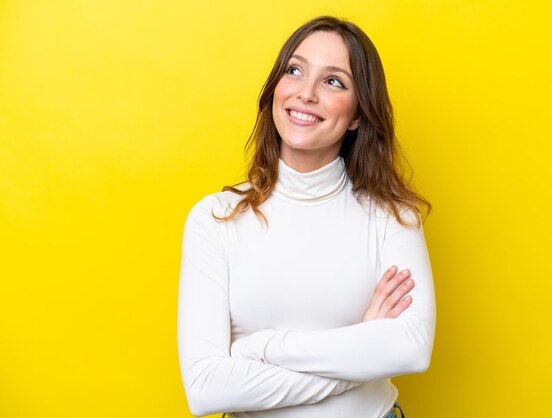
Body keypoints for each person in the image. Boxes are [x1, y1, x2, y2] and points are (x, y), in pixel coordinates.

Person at [177, 16, 436, 418]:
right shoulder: (215, 219)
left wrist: (260, 349)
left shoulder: (392, 217)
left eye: (334, 81)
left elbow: (412, 349)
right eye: (295, 71)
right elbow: (206, 389)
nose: (306, 94)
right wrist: (365, 346)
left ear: (357, 115)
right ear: (276, 89)